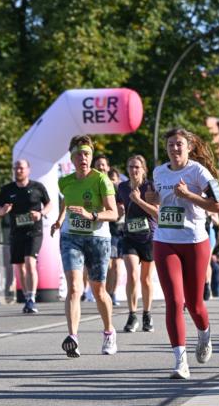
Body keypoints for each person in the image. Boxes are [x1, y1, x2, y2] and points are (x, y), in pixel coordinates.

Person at [147, 127, 219, 379]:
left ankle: (204, 334)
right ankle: (180, 361)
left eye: (179, 144)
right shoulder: (158, 172)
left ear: (189, 147)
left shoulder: (199, 172)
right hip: (164, 240)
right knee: (174, 301)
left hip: (194, 241)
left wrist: (189, 194)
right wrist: (152, 198)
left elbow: (218, 205)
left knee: (195, 304)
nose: (174, 148)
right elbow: (161, 201)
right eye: (170, 144)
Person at [50, 135, 118, 357]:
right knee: (74, 288)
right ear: (72, 158)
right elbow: (67, 200)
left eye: (87, 154)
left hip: (98, 238)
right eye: (79, 154)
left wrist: (92, 215)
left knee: (99, 291)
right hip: (71, 237)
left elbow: (113, 213)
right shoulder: (65, 182)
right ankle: (73, 337)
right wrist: (60, 220)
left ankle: (109, 332)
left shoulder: (102, 180)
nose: (83, 158)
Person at [0, 158, 51, 314]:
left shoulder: (37, 187)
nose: (18, 170)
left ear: (28, 170)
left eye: (21, 168)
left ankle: (32, 298)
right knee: (20, 267)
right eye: (16, 168)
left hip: (34, 232)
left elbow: (49, 204)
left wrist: (41, 213)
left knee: (30, 262)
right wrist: (3, 211)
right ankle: (27, 297)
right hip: (16, 233)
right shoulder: (7, 189)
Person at [116, 154, 158, 333]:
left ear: (143, 169)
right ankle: (132, 315)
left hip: (149, 236)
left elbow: (157, 213)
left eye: (137, 167)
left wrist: (138, 200)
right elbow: (118, 206)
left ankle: (147, 314)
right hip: (130, 236)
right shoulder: (122, 187)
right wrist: (118, 210)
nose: (133, 170)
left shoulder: (150, 187)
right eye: (130, 167)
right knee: (132, 274)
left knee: (146, 279)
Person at [93, 154, 123, 306]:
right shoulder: (90, 185)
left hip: (115, 230)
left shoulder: (116, 188)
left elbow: (122, 207)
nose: (101, 167)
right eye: (98, 165)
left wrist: (120, 212)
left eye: (103, 165)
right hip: (96, 229)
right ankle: (102, 293)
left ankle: (112, 293)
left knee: (114, 264)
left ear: (108, 167)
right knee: (104, 264)